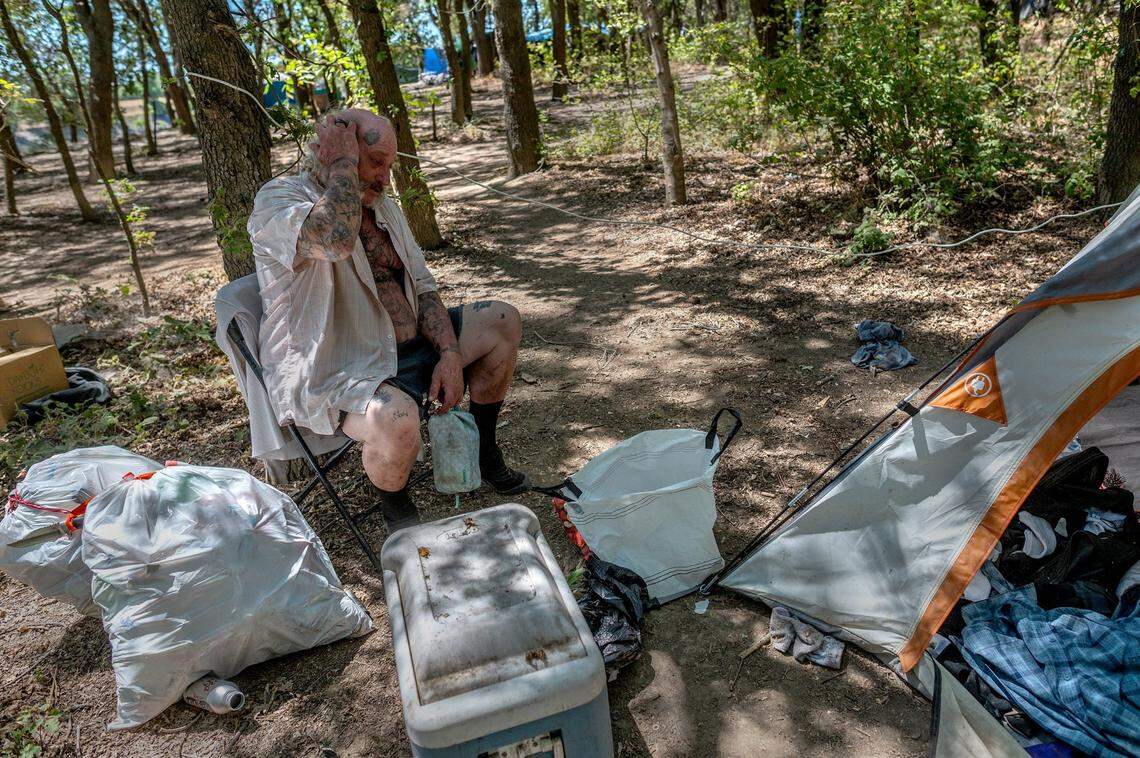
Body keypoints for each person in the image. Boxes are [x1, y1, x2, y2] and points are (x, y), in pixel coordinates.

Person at [247, 108, 528, 531]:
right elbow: (332, 240)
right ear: (334, 150)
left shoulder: (382, 206)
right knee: (394, 419)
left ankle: (486, 452)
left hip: (409, 346)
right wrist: (342, 164)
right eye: (375, 162)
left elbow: (422, 283)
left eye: (389, 166)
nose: (384, 178)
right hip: (339, 365)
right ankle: (398, 513)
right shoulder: (280, 200)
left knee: (502, 319)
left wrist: (449, 354)